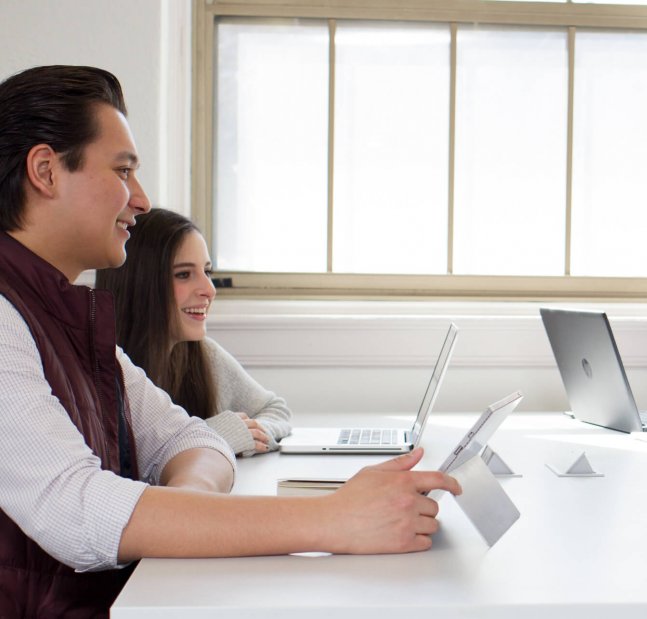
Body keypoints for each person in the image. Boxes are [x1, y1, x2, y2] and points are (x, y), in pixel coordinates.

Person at [0, 65, 460, 617]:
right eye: (123, 170)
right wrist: (334, 518)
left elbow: (191, 439)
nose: (140, 200)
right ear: (46, 171)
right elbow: (77, 512)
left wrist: (186, 513)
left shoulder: (65, 317)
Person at [96, 208, 290, 457]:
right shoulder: (103, 372)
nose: (209, 290)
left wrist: (250, 433)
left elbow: (274, 409)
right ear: (140, 285)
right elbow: (129, 465)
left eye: (207, 272)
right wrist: (215, 436)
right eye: (184, 275)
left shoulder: (202, 354)